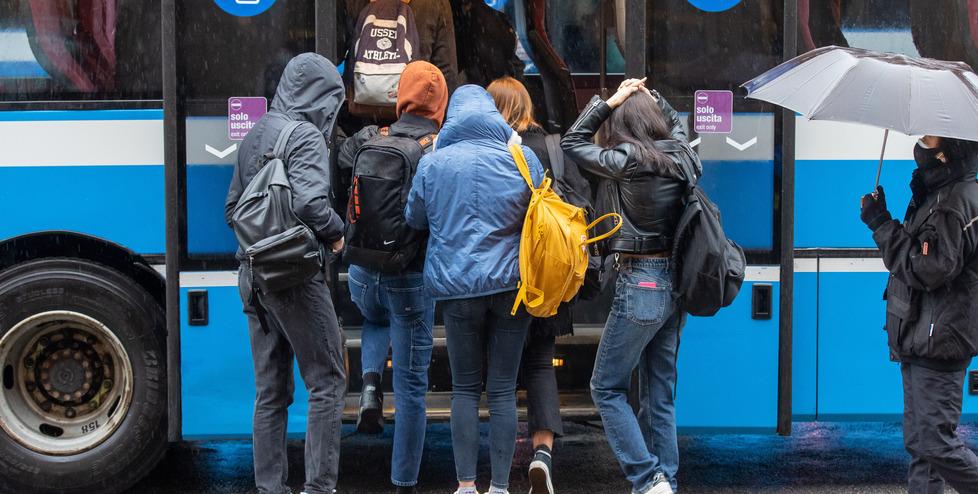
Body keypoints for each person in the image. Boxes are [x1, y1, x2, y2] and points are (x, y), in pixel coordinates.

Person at [405, 84, 544, 494]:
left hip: (457, 288)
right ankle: (500, 486)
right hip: (510, 287)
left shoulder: (433, 164)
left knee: (464, 389)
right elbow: (540, 213)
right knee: (502, 389)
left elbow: (414, 218)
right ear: (492, 116)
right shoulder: (523, 158)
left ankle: (466, 485)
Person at [560, 78, 695, 494]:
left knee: (605, 387)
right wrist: (659, 99)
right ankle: (665, 482)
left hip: (641, 280)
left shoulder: (626, 158)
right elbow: (680, 128)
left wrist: (610, 100)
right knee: (660, 392)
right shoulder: (683, 156)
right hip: (675, 285)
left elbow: (572, 141)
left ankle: (647, 476)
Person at [224, 53, 347, 494]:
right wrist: (337, 234)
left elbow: (231, 210)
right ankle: (319, 488)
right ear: (323, 98)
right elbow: (311, 205)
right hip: (294, 278)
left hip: (252, 277)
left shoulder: (255, 133)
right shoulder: (307, 136)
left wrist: (261, 242)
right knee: (327, 381)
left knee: (271, 392)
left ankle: (270, 488)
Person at [336, 60, 449, 494]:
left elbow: (345, 161)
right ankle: (403, 482)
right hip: (409, 275)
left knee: (374, 317)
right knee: (412, 388)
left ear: (400, 96)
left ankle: (367, 384)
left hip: (363, 270)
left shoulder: (374, 137)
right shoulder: (437, 148)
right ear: (440, 104)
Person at [486, 76, 592, 494]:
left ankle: (496, 468)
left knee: (501, 372)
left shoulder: (497, 151)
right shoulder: (552, 146)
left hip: (507, 276)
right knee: (540, 363)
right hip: (549, 275)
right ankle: (543, 453)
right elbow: (579, 200)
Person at [859, 135, 978, 493]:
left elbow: (927, 268)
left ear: (947, 150)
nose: (920, 140)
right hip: (920, 336)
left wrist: (881, 224)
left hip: (938, 339)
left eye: (930, 135)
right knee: (921, 448)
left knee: (934, 444)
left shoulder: (955, 202)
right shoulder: (935, 192)